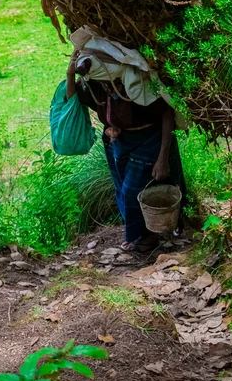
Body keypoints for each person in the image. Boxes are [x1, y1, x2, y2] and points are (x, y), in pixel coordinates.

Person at [66, 51, 187, 252]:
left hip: (149, 138)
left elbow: (167, 113)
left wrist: (163, 158)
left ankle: (148, 237)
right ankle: (138, 233)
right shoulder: (96, 85)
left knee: (134, 190)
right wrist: (70, 75)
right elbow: (73, 99)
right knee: (122, 189)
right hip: (117, 141)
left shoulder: (136, 87)